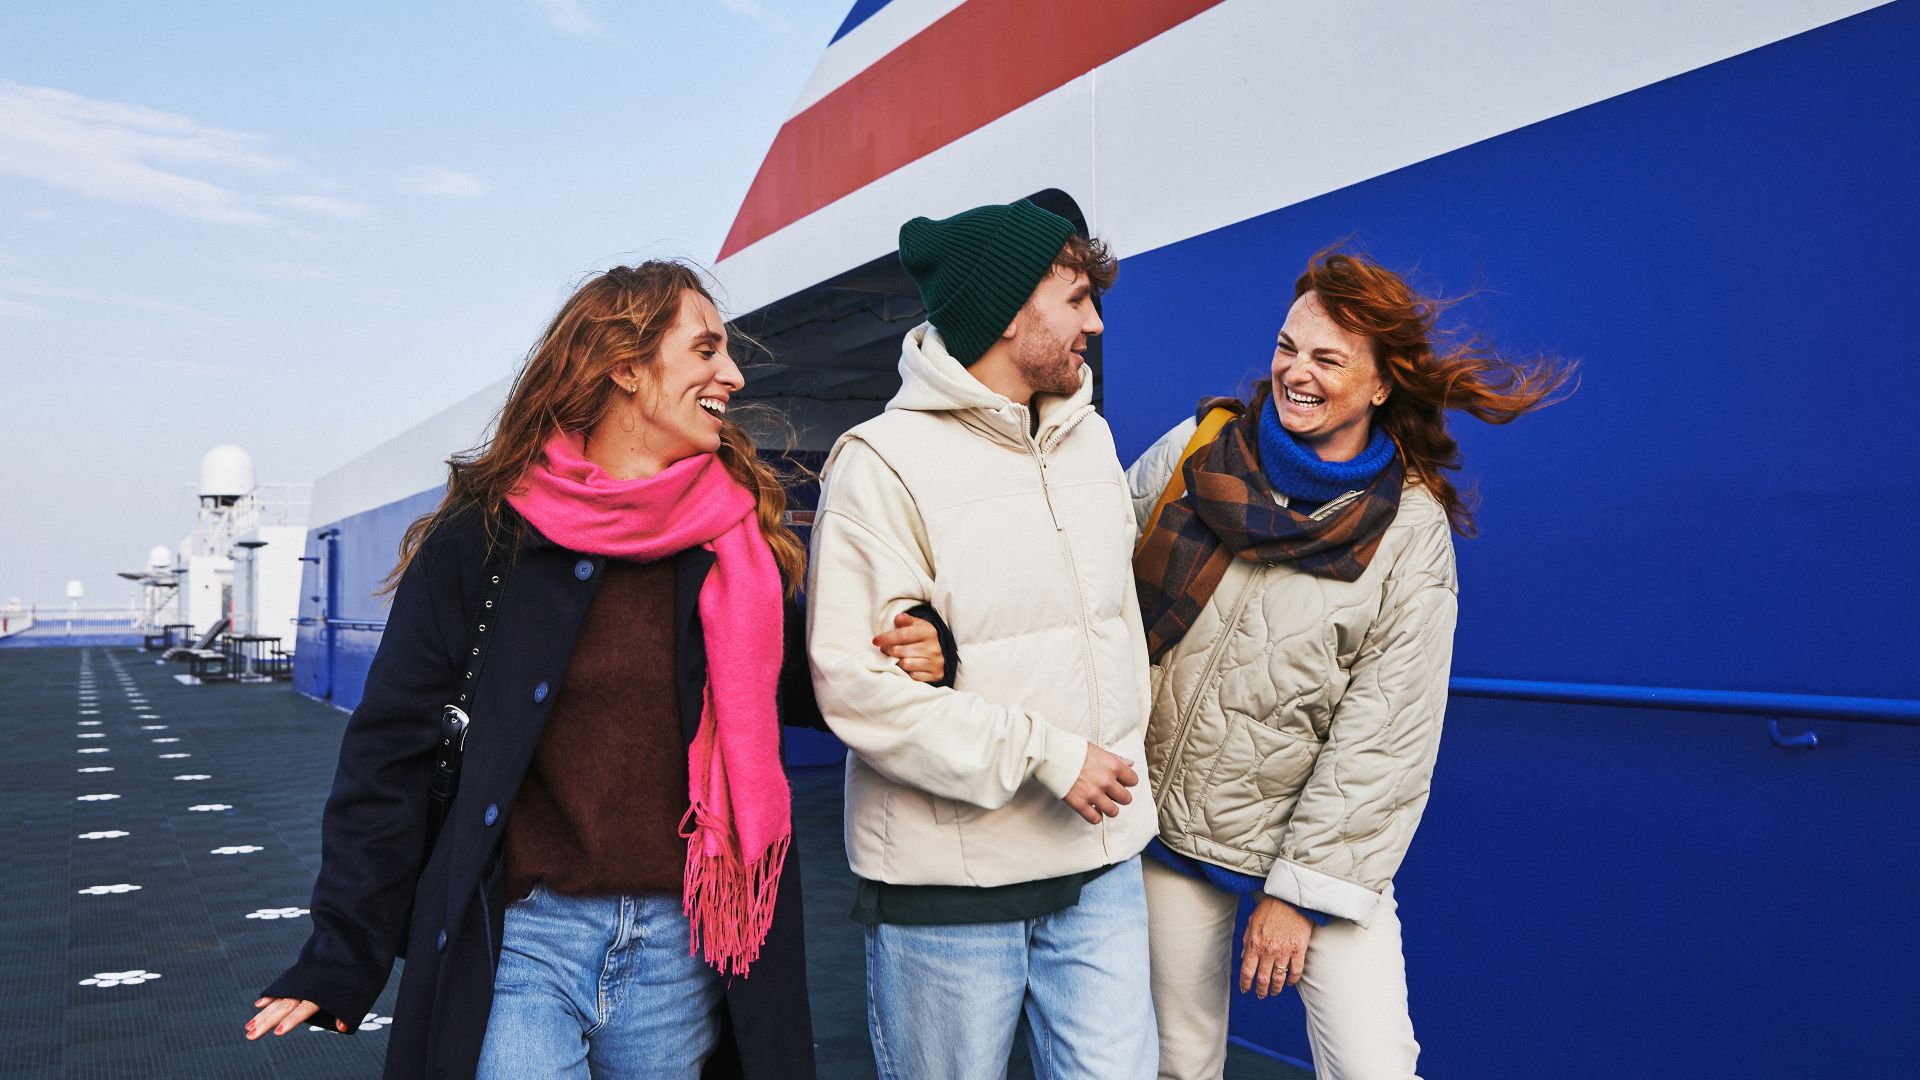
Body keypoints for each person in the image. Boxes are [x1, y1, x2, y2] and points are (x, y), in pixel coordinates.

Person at [243, 261, 944, 1079]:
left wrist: (916, 649)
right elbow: (388, 754)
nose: (734, 374)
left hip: (685, 945)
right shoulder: (485, 540)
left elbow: (811, 682)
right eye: (706, 350)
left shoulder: (733, 544)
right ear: (625, 367)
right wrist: (340, 952)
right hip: (525, 941)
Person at [1126, 250, 1575, 1079]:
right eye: (1287, 346)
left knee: (1374, 1068)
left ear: (1379, 385)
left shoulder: (1410, 530)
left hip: (1322, 846)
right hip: (1171, 821)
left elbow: (1386, 735)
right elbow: (1085, 585)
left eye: (1327, 360)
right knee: (1176, 1063)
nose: (1295, 373)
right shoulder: (1199, 451)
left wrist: (1301, 892)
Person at [806, 200, 1159, 1080]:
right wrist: (1049, 755)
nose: (1095, 323)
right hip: (950, 894)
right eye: (1076, 299)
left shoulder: (1089, 438)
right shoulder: (881, 462)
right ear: (1008, 312)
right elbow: (859, 688)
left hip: (1101, 866)